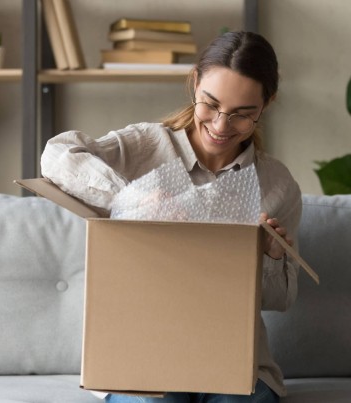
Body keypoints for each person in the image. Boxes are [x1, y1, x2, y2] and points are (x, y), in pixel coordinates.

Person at [41, 31, 302, 403]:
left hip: (235, 360)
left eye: (243, 115)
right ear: (195, 84)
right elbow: (56, 155)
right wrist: (137, 201)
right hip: (144, 353)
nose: (221, 125)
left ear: (266, 105)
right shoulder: (146, 146)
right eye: (210, 105)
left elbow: (281, 300)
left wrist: (271, 258)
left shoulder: (278, 185)